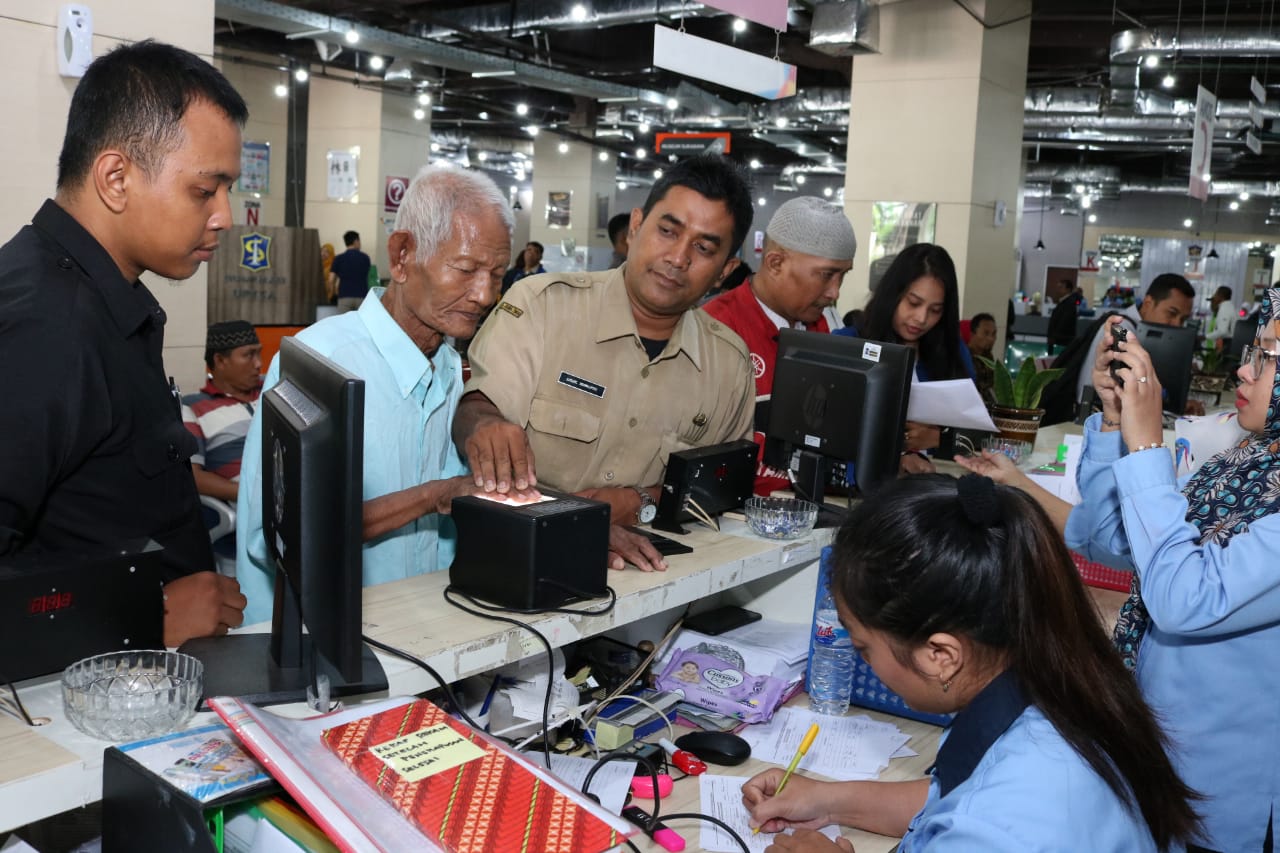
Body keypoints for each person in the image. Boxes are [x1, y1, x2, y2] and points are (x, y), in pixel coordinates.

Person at [742, 475, 1201, 853]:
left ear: (940, 655)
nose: (863, 659)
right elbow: (950, 797)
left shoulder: (994, 827)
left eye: (863, 647)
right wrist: (827, 799)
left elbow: (981, 814)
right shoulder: (1053, 688)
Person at [0, 41, 248, 647]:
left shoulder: (99, 300)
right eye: (204, 191)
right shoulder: (45, 328)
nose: (225, 215)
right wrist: (144, 613)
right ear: (116, 178)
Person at [236, 165, 519, 625]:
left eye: (497, 274)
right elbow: (276, 536)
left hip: (428, 631)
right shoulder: (317, 363)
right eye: (466, 270)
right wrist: (433, 497)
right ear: (403, 255)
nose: (484, 294)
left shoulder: (449, 366)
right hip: (328, 646)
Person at [453, 154, 756, 573]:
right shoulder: (542, 307)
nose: (678, 257)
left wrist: (642, 500)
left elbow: (720, 492)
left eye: (703, 248)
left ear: (726, 270)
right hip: (512, 563)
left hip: (653, 585)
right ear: (635, 227)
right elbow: (477, 414)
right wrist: (484, 425)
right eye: (667, 231)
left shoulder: (729, 365)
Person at [1066, 289, 1280, 852]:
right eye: (1251, 351)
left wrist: (1145, 450)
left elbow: (1184, 596)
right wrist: (1116, 425)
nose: (1245, 369)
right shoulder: (1249, 460)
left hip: (1225, 796)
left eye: (1267, 357)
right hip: (1164, 754)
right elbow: (1111, 540)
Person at [702, 196, 856, 495]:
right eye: (826, 275)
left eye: (843, 275)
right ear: (775, 263)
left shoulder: (819, 327)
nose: (835, 292)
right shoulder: (714, 327)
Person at [835, 243, 974, 471]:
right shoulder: (849, 343)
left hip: (938, 486)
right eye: (914, 303)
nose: (921, 318)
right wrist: (896, 457)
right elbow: (830, 431)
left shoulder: (953, 353)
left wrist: (940, 439)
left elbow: (976, 429)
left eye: (935, 310)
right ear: (893, 294)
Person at [1073, 272, 1194, 405]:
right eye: (1172, 313)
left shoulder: (1144, 332)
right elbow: (1123, 388)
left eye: (1183, 319)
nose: (1177, 324)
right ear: (1148, 303)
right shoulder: (1120, 329)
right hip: (1097, 417)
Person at [182, 321, 263, 502]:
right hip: (251, 510)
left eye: (259, 353)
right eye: (249, 355)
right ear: (220, 360)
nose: (259, 363)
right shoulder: (193, 408)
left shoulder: (273, 390)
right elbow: (194, 476)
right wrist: (256, 498)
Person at [329, 230, 372, 312]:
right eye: (359, 241)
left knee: (344, 323)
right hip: (362, 297)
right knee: (360, 323)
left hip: (344, 296)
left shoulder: (339, 258)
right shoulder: (365, 258)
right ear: (356, 241)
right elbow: (369, 277)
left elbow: (331, 280)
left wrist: (333, 293)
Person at [967, 312, 997, 405]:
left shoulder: (989, 359)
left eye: (994, 334)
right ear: (972, 334)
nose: (991, 339)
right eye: (986, 333)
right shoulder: (964, 357)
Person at [1046, 277, 1080, 351]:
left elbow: (1064, 323)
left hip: (1062, 341)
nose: (1058, 290)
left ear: (1068, 289)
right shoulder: (1063, 302)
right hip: (1057, 340)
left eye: (1061, 287)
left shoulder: (1070, 304)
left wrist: (1054, 337)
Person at [1204, 284, 1237, 350]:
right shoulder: (1228, 306)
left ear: (1220, 296)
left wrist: (1205, 337)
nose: (1214, 296)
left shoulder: (1225, 308)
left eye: (1216, 294)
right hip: (1227, 342)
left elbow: (1222, 331)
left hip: (1226, 343)